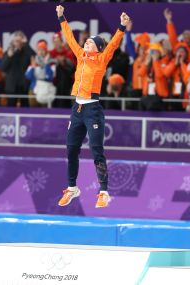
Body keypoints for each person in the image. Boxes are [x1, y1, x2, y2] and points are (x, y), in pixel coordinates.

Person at [55, 5, 130, 208]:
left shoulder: (102, 59)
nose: (86, 43)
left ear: (97, 47)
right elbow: (69, 37)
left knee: (97, 150)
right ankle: (72, 188)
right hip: (77, 109)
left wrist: (121, 27)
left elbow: (113, 45)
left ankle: (104, 191)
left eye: (90, 42)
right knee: (71, 149)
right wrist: (62, 17)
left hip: (92, 110)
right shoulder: (80, 56)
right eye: (86, 41)